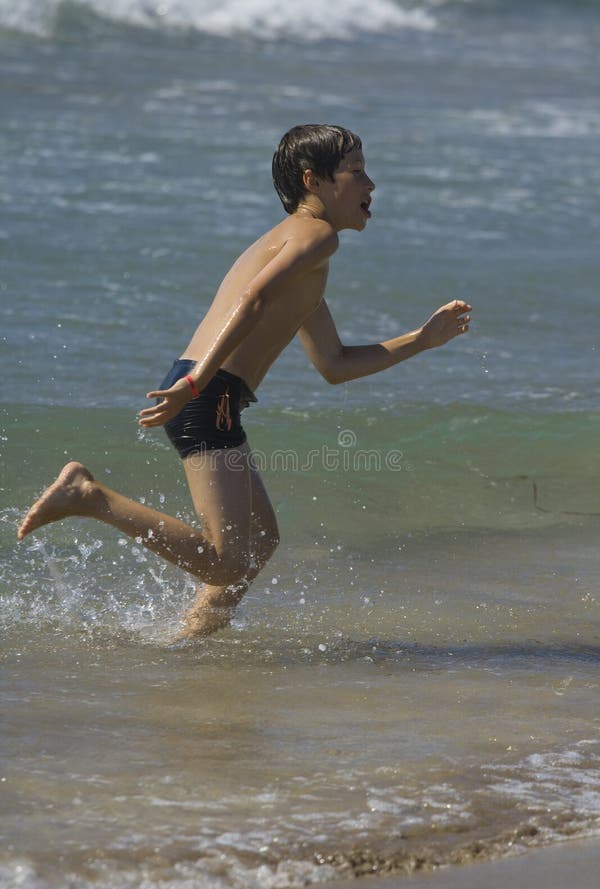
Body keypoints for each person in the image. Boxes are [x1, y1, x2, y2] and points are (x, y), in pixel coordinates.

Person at [17, 124, 471, 639]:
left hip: (211, 392)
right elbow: (252, 300)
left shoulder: (302, 258)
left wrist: (423, 339)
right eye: (357, 170)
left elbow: (334, 363)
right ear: (313, 181)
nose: (372, 184)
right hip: (205, 391)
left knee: (260, 541)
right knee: (227, 560)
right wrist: (196, 384)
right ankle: (88, 496)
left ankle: (194, 638)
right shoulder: (315, 237)